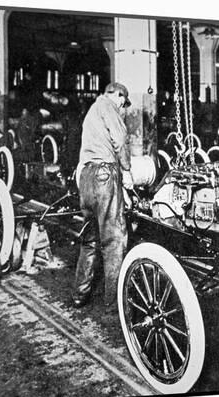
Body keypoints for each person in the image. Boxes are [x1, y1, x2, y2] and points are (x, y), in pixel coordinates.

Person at [71, 82, 133, 309]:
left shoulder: (92, 111)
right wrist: (127, 171)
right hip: (104, 176)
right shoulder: (109, 106)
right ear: (117, 95)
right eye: (123, 102)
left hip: (86, 177)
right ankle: (115, 302)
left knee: (90, 238)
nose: (122, 107)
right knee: (114, 239)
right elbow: (120, 139)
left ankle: (79, 293)